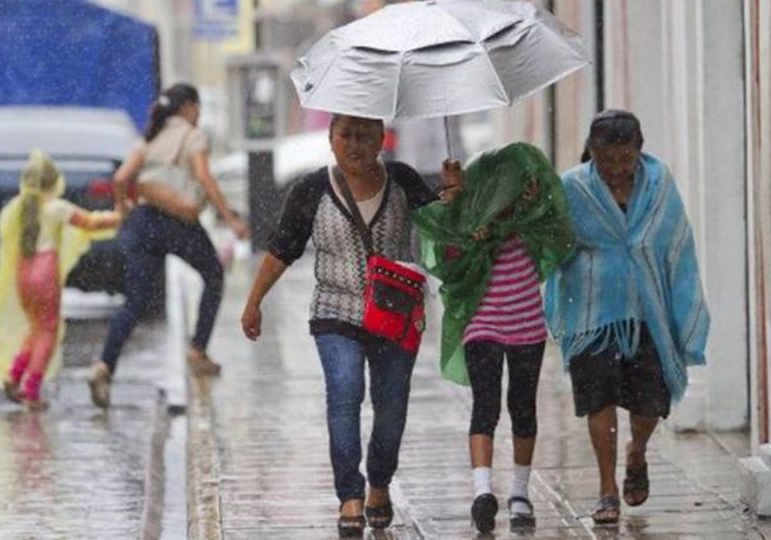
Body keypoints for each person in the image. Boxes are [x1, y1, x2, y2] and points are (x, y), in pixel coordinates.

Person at [240, 114, 463, 537]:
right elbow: (281, 248)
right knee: (344, 393)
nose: (355, 144)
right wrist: (254, 302)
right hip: (334, 313)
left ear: (382, 138)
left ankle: (379, 482)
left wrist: (451, 197)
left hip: (395, 316)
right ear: (330, 138)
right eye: (346, 135)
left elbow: (441, 229)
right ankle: (350, 495)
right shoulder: (310, 190)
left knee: (391, 404)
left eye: (365, 135)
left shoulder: (402, 180)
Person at [544, 110, 710, 524]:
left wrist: (682, 308)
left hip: (647, 309)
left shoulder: (659, 185)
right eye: (607, 160)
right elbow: (552, 245)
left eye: (625, 158)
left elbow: (678, 244)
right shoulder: (572, 188)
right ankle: (606, 488)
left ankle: (637, 451)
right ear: (592, 153)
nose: (617, 169)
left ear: (639, 149)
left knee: (649, 401)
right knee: (597, 399)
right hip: (591, 315)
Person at [412, 142, 574, 533]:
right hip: (482, 324)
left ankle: (520, 492)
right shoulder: (468, 218)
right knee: (485, 405)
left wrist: (532, 201)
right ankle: (482, 491)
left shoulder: (530, 219)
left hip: (527, 328)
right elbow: (447, 259)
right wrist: (454, 205)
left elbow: (558, 230)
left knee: (523, 407)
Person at [88, 83, 250, 409]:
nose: (199, 113)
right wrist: (229, 216)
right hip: (179, 224)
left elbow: (121, 178)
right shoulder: (192, 136)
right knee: (214, 275)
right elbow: (204, 178)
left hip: (144, 221)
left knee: (134, 302)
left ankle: (105, 365)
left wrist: (123, 210)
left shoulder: (149, 138)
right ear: (188, 107)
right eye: (197, 107)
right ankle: (198, 349)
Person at [0, 150, 122, 411]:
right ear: (53, 182)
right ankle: (31, 389)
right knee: (48, 331)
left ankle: (14, 376)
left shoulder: (20, 209)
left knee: (35, 328)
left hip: (23, 271)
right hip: (46, 272)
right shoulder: (58, 208)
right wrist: (121, 216)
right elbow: (90, 222)